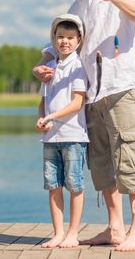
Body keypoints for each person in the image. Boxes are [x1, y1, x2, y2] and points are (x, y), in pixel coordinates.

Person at [33, 0, 135, 252]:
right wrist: (43, 64)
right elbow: (57, 41)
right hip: (90, 96)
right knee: (101, 165)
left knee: (131, 157)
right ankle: (115, 228)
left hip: (120, 85)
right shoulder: (77, 3)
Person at [35, 13, 89, 248]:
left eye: (69, 37)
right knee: (53, 186)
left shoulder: (78, 66)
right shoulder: (48, 67)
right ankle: (57, 233)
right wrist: (41, 119)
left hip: (73, 136)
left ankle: (72, 233)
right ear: (54, 39)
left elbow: (78, 102)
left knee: (74, 186)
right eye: (60, 37)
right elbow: (42, 101)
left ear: (78, 40)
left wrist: (52, 117)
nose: (64, 41)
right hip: (50, 138)